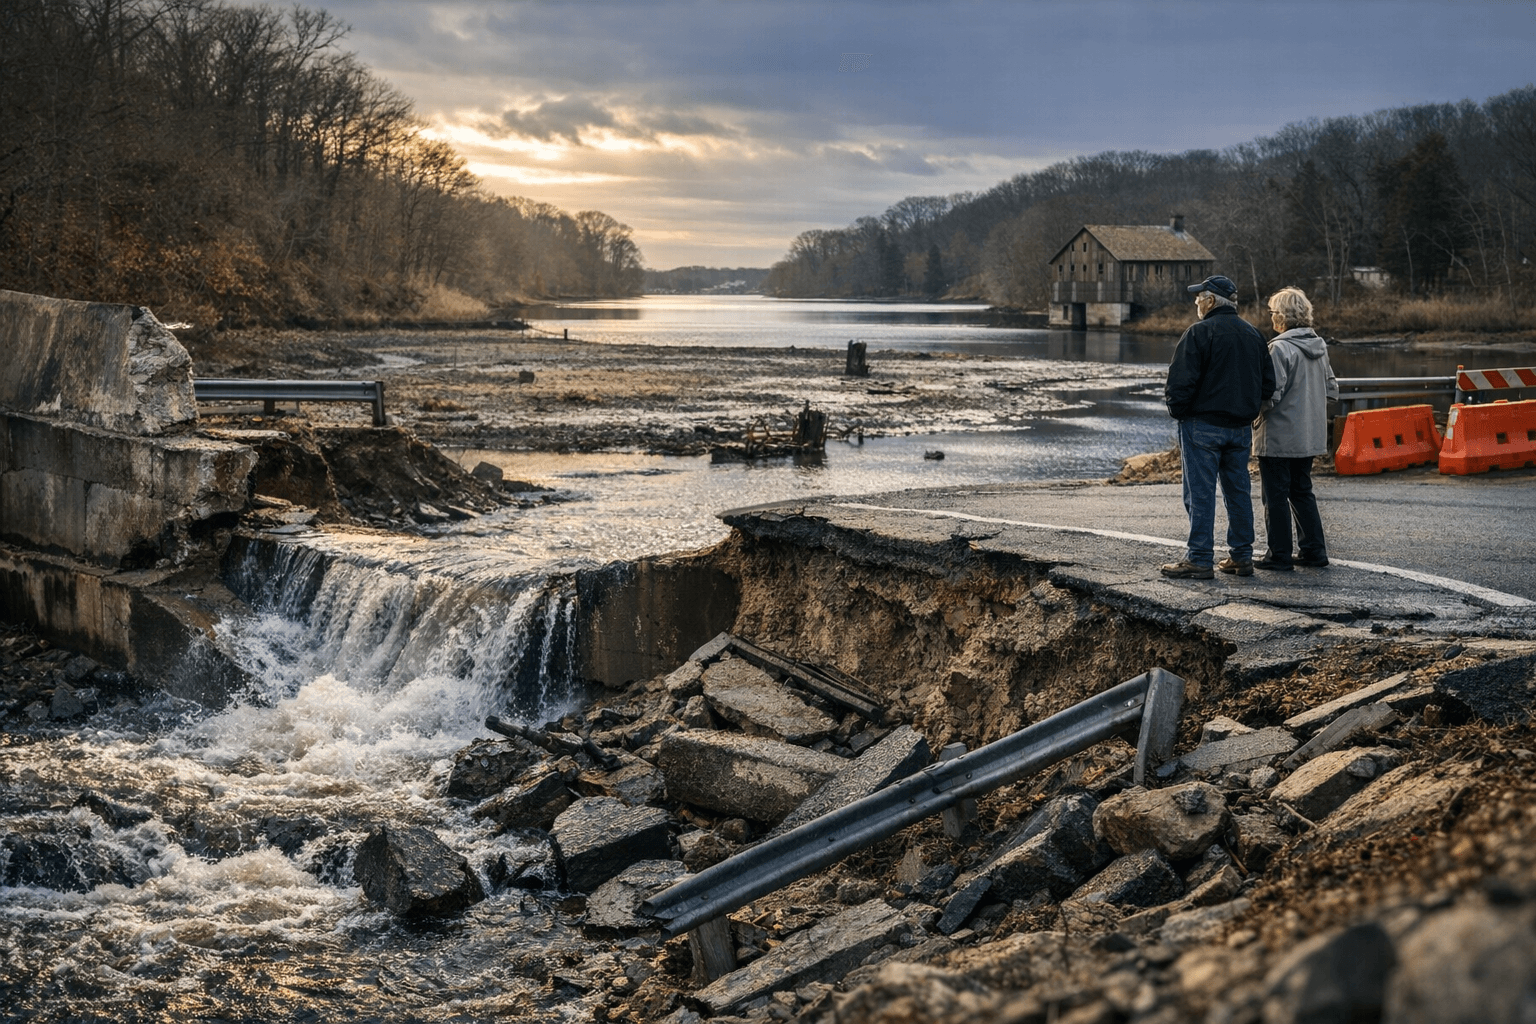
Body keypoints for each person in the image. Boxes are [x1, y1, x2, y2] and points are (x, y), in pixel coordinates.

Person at [1161, 275, 1276, 579]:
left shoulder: (1198, 332)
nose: (1196, 301)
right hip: (1239, 429)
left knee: (1199, 494)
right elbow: (1269, 385)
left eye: (1199, 296)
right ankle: (1241, 556)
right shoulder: (1254, 335)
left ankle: (1199, 558)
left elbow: (1178, 384)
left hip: (1202, 425)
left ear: (1210, 301)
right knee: (1238, 492)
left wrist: (1180, 413)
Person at [1253, 286, 1338, 570]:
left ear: (1283, 316)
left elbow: (1271, 394)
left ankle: (1278, 555)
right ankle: (1314, 550)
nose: (1271, 317)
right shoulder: (1319, 346)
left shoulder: (1279, 348)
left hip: (1279, 435)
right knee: (1302, 490)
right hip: (1309, 434)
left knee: (1275, 495)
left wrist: (1253, 418)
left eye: (1273, 312)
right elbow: (1331, 388)